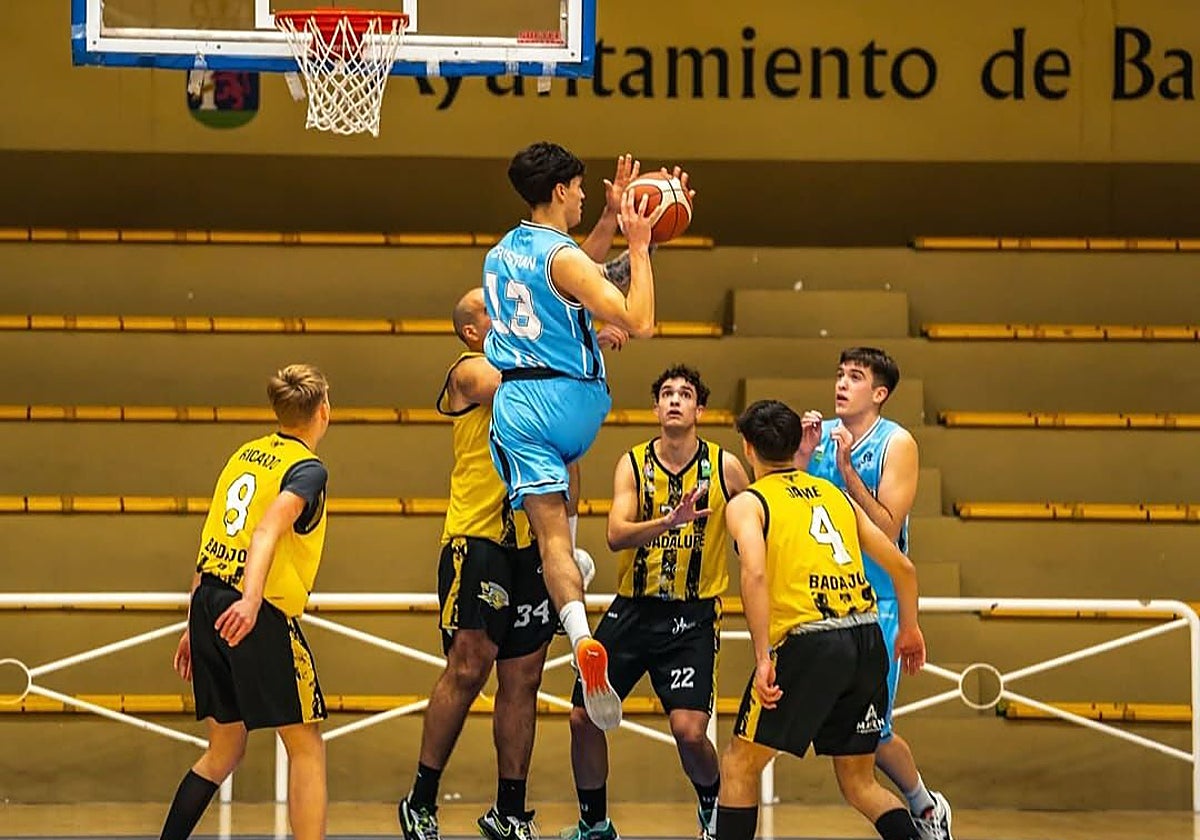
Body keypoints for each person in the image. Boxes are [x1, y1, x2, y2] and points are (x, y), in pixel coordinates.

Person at [398, 289, 626, 840]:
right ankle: (421, 799)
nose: (504, 312)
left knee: (523, 678)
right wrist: (581, 346)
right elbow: (518, 382)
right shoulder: (468, 372)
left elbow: (569, 463)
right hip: (478, 538)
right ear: (472, 331)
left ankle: (509, 810)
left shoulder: (542, 390)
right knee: (469, 666)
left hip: (533, 545)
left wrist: (568, 546)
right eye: (491, 309)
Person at [484, 142, 690, 733]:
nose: (582, 195)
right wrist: (641, 246)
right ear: (558, 191)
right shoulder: (565, 259)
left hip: (523, 400)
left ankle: (579, 638)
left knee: (549, 536)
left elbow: (574, 274)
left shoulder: (501, 254)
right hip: (575, 402)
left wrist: (612, 221)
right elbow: (639, 320)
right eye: (578, 188)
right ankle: (574, 575)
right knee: (566, 471)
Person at [718, 399, 927, 840]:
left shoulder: (749, 503)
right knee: (860, 784)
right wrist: (909, 630)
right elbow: (904, 568)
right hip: (867, 638)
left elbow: (754, 573)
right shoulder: (836, 495)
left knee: (739, 765)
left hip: (810, 641)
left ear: (748, 447)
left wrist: (762, 657)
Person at [565, 365, 750, 840]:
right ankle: (594, 824)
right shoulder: (633, 463)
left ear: (699, 410)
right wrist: (669, 522)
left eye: (684, 394)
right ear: (655, 408)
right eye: (666, 393)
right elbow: (615, 534)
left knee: (689, 732)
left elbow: (756, 525)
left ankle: (712, 805)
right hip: (633, 610)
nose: (674, 400)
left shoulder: (725, 467)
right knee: (583, 717)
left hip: (693, 617)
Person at [161, 365, 332, 840]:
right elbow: (265, 531)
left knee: (224, 749)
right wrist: (252, 600)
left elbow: (212, 540)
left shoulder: (243, 456)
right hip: (254, 608)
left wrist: (193, 624)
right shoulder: (307, 469)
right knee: (306, 743)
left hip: (209, 600)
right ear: (324, 411)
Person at [796, 347, 952, 840]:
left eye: (856, 377)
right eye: (840, 374)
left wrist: (847, 470)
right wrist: (800, 458)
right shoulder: (819, 438)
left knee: (874, 731)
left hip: (875, 606)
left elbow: (886, 527)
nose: (842, 383)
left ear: (879, 393)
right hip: (822, 604)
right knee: (839, 729)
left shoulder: (896, 443)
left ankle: (925, 808)